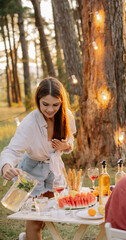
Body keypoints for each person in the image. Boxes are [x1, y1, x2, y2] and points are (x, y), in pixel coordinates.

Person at [0, 77, 76, 240]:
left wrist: (66, 146)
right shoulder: (29, 123)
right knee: (35, 221)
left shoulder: (65, 116)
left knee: (45, 217)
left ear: (61, 102)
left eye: (55, 105)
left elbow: (71, 141)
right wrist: (6, 167)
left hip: (52, 171)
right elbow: (11, 150)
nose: (50, 109)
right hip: (31, 173)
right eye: (45, 104)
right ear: (38, 101)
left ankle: (25, 238)